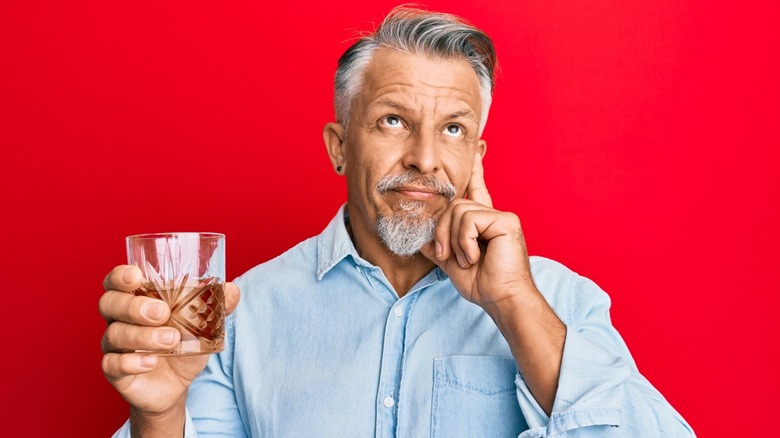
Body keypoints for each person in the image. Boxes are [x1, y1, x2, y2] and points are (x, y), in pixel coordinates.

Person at [100, 7, 695, 437]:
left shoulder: (562, 303)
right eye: (392, 121)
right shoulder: (242, 312)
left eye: (454, 129)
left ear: (476, 159)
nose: (426, 158)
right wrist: (158, 417)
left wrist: (514, 305)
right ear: (339, 147)